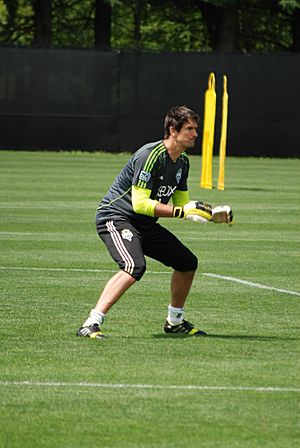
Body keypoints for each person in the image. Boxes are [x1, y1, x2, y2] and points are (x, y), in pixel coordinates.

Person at [77, 105, 233, 340]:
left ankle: (174, 322)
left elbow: (183, 204)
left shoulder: (183, 162)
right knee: (133, 266)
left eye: (195, 129)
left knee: (187, 262)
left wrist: (212, 216)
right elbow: (140, 204)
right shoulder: (150, 155)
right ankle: (90, 323)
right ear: (173, 129)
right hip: (117, 217)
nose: (195, 134)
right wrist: (183, 211)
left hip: (144, 224)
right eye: (189, 129)